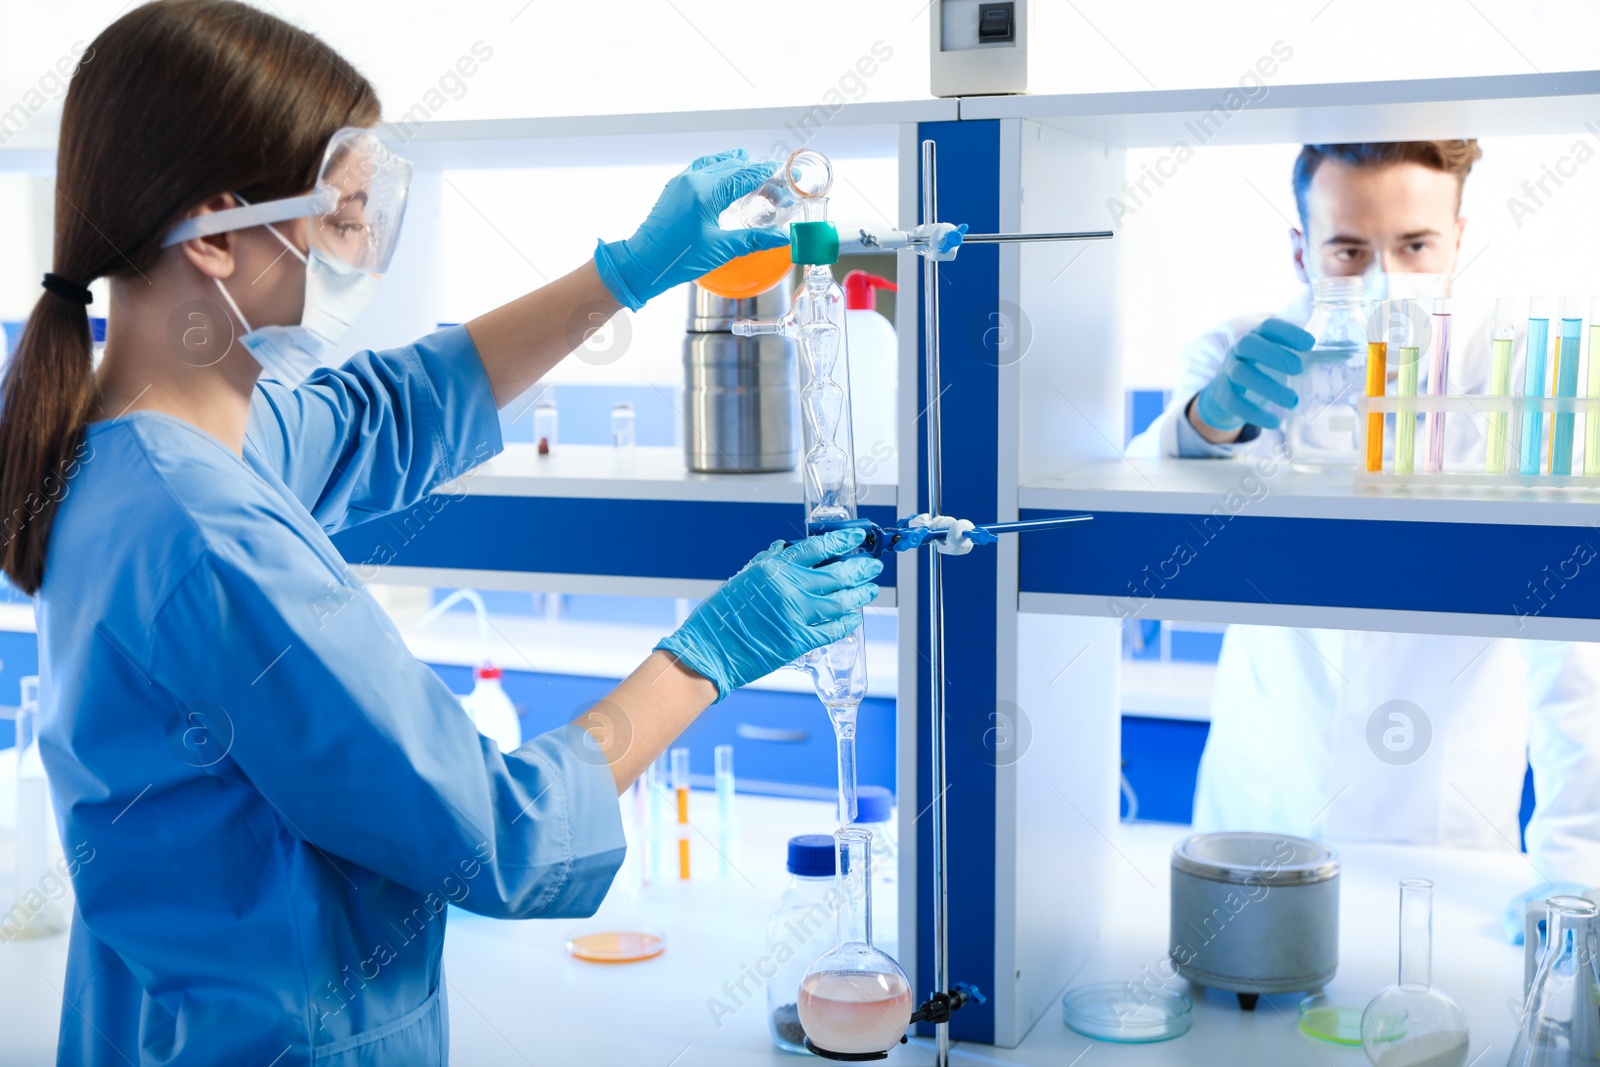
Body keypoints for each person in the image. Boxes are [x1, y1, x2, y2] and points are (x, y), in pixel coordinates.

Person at [1, 3, 883, 1063]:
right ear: (223, 233)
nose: (366, 245)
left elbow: (393, 408)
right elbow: (498, 835)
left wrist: (625, 274)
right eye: (343, 214)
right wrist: (711, 653)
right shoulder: (206, 536)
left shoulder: (148, 446)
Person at [1128, 140, 1600, 887]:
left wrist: (1577, 871)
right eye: (1349, 251)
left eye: (1416, 246)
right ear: (1300, 251)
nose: (1387, 280)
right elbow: (1139, 525)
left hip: (1439, 823)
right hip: (1262, 810)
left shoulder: (1516, 372)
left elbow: (1572, 653)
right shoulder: (1240, 353)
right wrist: (1208, 421)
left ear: (1459, 240)